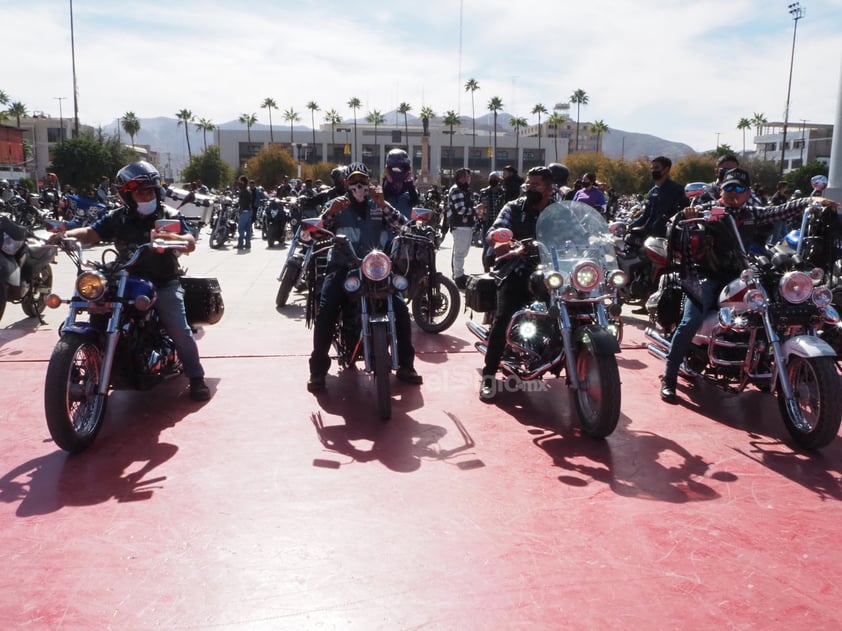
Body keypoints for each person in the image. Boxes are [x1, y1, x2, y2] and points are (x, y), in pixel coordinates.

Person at [659, 167, 839, 404]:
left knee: (774, 307)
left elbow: (781, 210)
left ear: (748, 192)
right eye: (729, 187)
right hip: (707, 274)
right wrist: (687, 216)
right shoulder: (709, 210)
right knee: (691, 320)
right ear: (721, 190)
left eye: (740, 188)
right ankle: (669, 378)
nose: (734, 193)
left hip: (741, 274)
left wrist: (812, 201)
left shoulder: (753, 213)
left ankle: (761, 363)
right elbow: (676, 223)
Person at [48, 161, 211, 401]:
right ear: (127, 195)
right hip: (124, 278)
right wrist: (65, 236)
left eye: (149, 191)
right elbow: (91, 232)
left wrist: (172, 238)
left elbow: (189, 241)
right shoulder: (117, 217)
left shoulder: (168, 215)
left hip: (162, 281)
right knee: (95, 304)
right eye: (139, 192)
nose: (146, 196)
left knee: (179, 329)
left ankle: (196, 377)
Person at [307, 162, 422, 392]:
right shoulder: (336, 205)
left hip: (377, 269)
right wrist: (329, 214)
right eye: (354, 182)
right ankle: (317, 371)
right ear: (346, 184)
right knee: (327, 310)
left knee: (400, 310)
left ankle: (406, 365)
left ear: (369, 183)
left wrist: (384, 205)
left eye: (363, 181)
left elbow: (403, 226)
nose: (359, 186)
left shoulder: (379, 204)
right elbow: (316, 233)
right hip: (343, 266)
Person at [479, 166, 557, 402]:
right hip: (517, 268)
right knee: (504, 318)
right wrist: (502, 242)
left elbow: (576, 229)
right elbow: (494, 231)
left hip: (552, 272)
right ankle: (488, 376)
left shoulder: (557, 209)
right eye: (528, 185)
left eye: (536, 185)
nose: (530, 189)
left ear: (549, 187)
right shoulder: (514, 207)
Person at [447, 167, 476, 288]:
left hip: (465, 225)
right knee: (459, 252)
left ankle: (459, 274)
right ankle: (458, 277)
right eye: (466, 176)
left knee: (462, 252)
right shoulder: (457, 190)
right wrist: (475, 211)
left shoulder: (464, 190)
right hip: (460, 225)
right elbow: (460, 209)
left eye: (469, 176)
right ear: (460, 177)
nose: (468, 178)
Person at [476, 171, 506, 272]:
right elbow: (479, 207)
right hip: (487, 223)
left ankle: (498, 268)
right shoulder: (483, 192)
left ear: (498, 180)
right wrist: (479, 218)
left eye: (495, 178)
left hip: (500, 224)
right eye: (491, 178)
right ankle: (486, 268)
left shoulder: (503, 193)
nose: (493, 180)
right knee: (486, 246)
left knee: (500, 247)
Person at [381, 148, 419, 218]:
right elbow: (383, 199)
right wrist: (389, 182)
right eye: (395, 168)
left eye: (402, 168)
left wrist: (410, 184)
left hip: (404, 227)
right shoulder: (385, 192)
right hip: (385, 228)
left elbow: (415, 201)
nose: (398, 185)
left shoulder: (409, 193)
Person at [236, 175, 253, 250]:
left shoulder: (243, 191)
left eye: (239, 181)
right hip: (249, 211)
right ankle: (248, 243)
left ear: (242, 182)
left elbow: (242, 202)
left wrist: (240, 210)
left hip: (244, 212)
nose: (238, 183)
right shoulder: (248, 190)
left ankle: (240, 244)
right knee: (248, 229)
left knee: (241, 228)